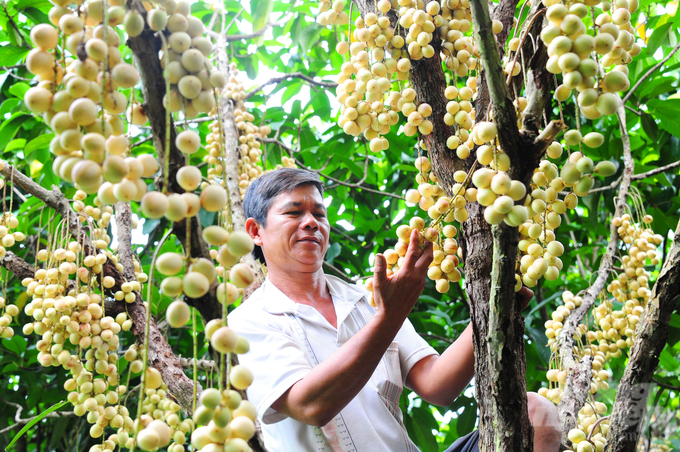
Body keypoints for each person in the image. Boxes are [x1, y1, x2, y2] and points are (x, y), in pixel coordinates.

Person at [228, 168, 561, 452]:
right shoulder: (248, 322)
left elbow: (438, 385)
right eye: (293, 212)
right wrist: (389, 316)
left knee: (536, 412)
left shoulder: (365, 299)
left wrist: (497, 310)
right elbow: (310, 405)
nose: (311, 223)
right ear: (256, 231)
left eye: (319, 214)